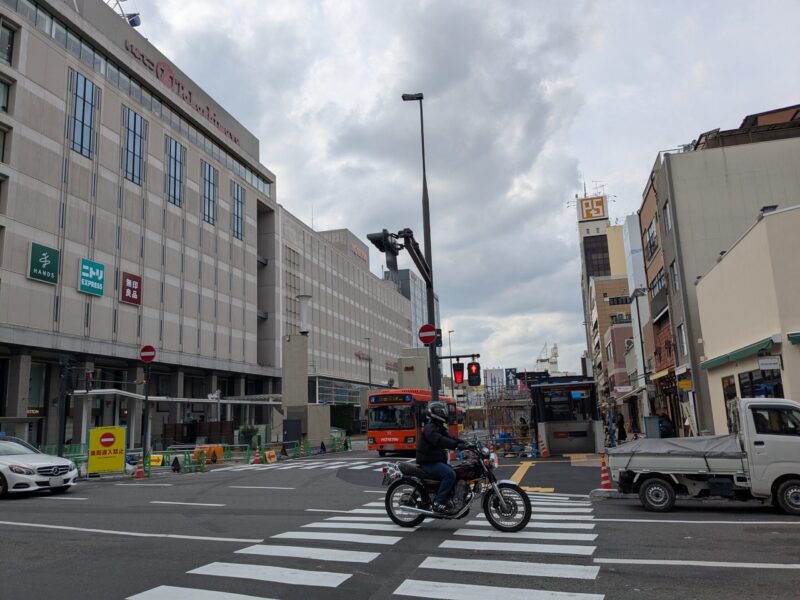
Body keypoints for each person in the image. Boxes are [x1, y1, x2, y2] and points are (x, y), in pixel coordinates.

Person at [416, 401, 466, 513]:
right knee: (449, 474)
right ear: (436, 413)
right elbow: (439, 440)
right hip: (428, 462)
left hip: (435, 460)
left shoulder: (438, 427)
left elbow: (449, 438)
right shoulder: (430, 428)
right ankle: (438, 502)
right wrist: (456, 445)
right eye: (442, 412)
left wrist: (465, 443)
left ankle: (450, 498)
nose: (444, 414)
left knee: (457, 472)